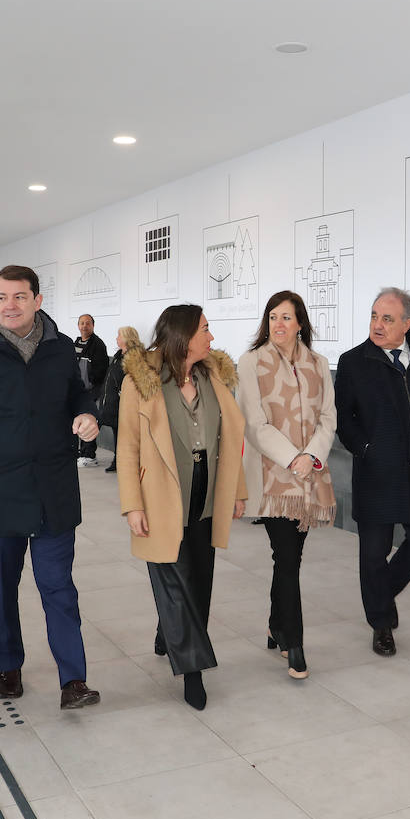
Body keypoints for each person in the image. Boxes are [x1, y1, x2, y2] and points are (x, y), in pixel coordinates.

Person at [0, 265, 102, 710]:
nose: (9, 305)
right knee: (1, 587)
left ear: (37, 300)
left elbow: (79, 395)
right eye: (1, 297)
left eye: (18, 297)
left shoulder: (60, 349)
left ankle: (73, 680)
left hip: (53, 487)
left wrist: (88, 416)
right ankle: (9, 666)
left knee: (58, 587)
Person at [117, 304, 246, 710]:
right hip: (159, 494)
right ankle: (193, 670)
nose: (211, 337)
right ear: (183, 336)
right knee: (174, 578)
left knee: (199, 575)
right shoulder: (142, 381)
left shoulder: (213, 377)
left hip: (205, 489)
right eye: (205, 329)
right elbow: (127, 446)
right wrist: (131, 505)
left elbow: (229, 440)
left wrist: (237, 491)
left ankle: (167, 633)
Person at [334, 287, 410, 657]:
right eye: (374, 316)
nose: (377, 324)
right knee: (374, 551)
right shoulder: (354, 361)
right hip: (378, 473)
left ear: (408, 322)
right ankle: (382, 624)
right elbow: (343, 418)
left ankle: (379, 594)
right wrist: (366, 449)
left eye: (387, 318)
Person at [237, 291, 337, 680]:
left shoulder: (319, 363)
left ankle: (276, 624)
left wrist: (311, 457)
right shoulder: (251, 363)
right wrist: (291, 458)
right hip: (273, 475)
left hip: (311, 476)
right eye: (273, 317)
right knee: (288, 554)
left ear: (300, 324)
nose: (279, 324)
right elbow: (254, 422)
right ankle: (293, 643)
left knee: (289, 555)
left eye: (287, 318)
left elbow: (328, 418)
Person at [98, 325, 143, 473]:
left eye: (119, 335)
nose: (116, 338)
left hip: (124, 404)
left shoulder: (134, 357)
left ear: (127, 338)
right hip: (113, 403)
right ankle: (117, 461)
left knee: (126, 436)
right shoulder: (118, 356)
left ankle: (125, 462)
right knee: (118, 434)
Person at [73, 313, 109, 467]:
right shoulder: (76, 343)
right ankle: (80, 453)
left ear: (93, 326)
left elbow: (101, 371)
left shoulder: (98, 345)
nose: (84, 326)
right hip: (76, 390)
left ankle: (89, 455)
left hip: (91, 391)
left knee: (89, 421)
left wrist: (90, 383)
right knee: (76, 422)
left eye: (87, 323)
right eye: (81, 323)